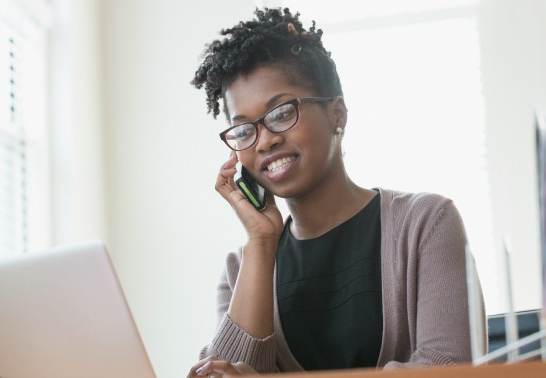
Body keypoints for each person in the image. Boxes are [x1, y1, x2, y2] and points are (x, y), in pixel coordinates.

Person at [187, 7, 487, 377]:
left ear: (337, 114)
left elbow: (448, 369)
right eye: (244, 130)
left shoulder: (426, 224)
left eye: (281, 113)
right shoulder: (240, 270)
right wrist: (262, 243)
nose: (265, 141)